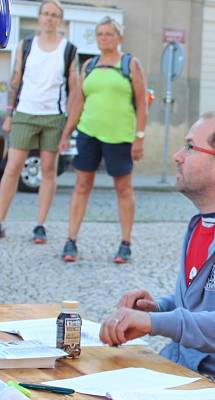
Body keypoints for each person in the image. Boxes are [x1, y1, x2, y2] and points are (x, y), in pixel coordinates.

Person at [98, 111, 215, 400]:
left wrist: (156, 324)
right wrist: (156, 309)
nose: (177, 156)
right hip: (182, 370)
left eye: (189, 147)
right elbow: (203, 304)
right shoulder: (201, 222)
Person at [59, 16, 148, 264]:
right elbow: (77, 104)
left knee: (123, 188)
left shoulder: (130, 64)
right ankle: (71, 239)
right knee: (81, 185)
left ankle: (125, 243)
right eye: (99, 34)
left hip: (120, 136)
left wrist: (139, 137)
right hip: (88, 133)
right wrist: (66, 134)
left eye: (108, 34)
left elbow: (142, 104)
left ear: (119, 38)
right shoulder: (89, 65)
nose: (103, 38)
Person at [0, 0, 77, 243]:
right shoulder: (26, 45)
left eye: (54, 15)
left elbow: (75, 90)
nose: (49, 18)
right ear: (39, 17)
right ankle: (0, 220)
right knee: (12, 168)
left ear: (60, 20)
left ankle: (40, 225)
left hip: (54, 117)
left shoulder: (68, 49)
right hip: (24, 114)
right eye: (46, 14)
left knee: (48, 171)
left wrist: (68, 126)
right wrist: (10, 115)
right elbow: (15, 81)